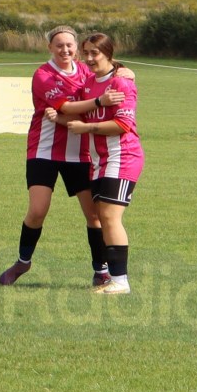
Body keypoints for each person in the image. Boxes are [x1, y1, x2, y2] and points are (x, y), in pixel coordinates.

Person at [0, 25, 128, 288]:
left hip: (80, 153)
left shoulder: (85, 70)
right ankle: (23, 261)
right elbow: (66, 107)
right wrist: (100, 102)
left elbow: (114, 73)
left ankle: (100, 271)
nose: (65, 50)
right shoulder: (43, 75)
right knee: (37, 211)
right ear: (50, 48)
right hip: (43, 151)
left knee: (94, 215)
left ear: (76, 48)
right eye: (59, 45)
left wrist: (127, 72)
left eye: (70, 45)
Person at [55, 32, 144, 295]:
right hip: (99, 162)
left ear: (109, 54)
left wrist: (86, 127)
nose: (90, 58)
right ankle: (113, 279)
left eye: (96, 53)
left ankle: (120, 281)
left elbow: (122, 125)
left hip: (122, 157)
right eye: (87, 53)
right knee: (103, 219)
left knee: (109, 217)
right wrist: (57, 115)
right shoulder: (89, 84)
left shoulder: (121, 84)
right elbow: (74, 110)